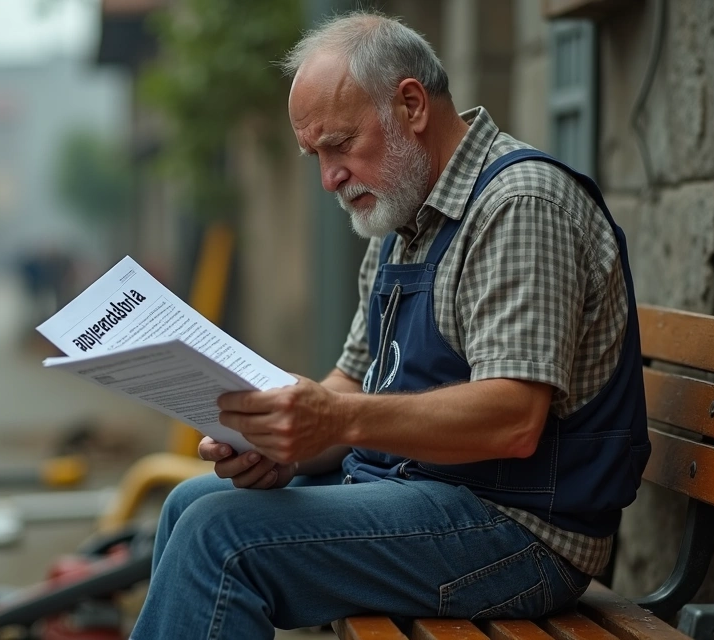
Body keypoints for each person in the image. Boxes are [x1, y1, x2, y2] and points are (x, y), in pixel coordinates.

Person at [131, 12, 650, 640]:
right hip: (428, 494)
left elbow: (514, 419)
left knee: (221, 538)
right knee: (190, 504)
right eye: (315, 155)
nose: (329, 178)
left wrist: (336, 420)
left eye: (340, 144)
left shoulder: (519, 206)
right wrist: (281, 443)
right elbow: (353, 381)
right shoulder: (401, 219)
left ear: (410, 105)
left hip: (523, 533)